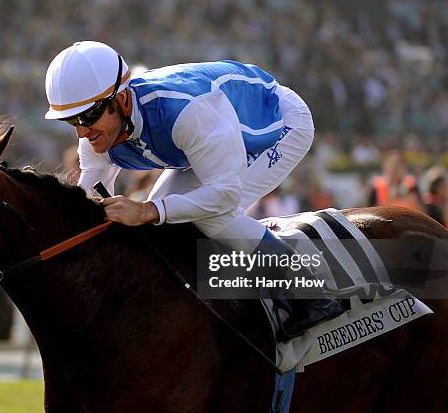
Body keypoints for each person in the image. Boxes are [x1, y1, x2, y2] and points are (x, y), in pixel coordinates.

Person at [44, 41, 343, 338]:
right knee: (162, 227)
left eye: (87, 117)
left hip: (277, 124)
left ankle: (310, 291)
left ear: (121, 99)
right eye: (71, 120)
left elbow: (224, 195)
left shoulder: (187, 113)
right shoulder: (96, 134)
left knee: (209, 215)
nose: (81, 132)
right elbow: (85, 204)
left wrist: (148, 210)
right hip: (216, 133)